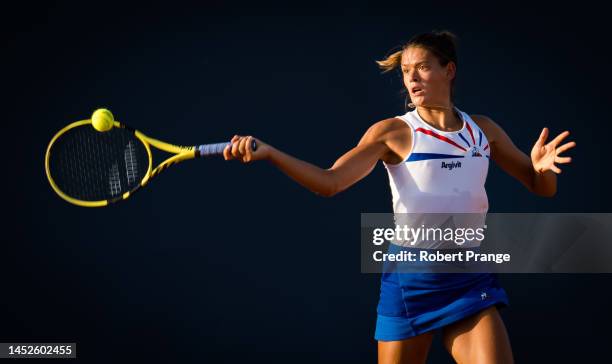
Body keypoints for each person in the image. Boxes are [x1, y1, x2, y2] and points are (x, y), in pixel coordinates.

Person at [223, 30, 575, 364]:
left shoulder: (483, 130)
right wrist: (271, 153)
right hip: (412, 280)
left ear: (448, 70)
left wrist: (543, 170)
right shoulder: (392, 132)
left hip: (469, 277)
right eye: (406, 71)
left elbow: (540, 188)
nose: (413, 79)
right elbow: (329, 183)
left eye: (422, 67)